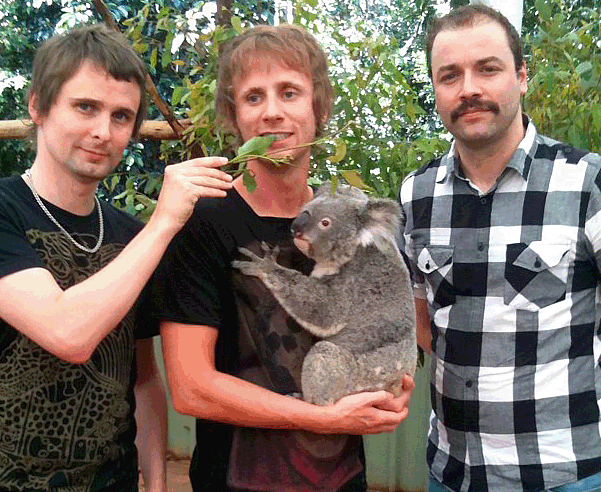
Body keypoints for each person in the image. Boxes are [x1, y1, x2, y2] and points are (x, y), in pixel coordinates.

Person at [0, 23, 233, 492]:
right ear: (38, 106)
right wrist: (162, 223)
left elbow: (143, 378)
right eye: (85, 107)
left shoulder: (131, 236)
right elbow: (67, 333)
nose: (102, 132)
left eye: (121, 116)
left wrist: (156, 483)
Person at [399, 5, 601, 492]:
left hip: (562, 477)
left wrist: (567, 381)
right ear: (435, 90)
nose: (468, 88)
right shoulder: (416, 196)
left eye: (488, 69)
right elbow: (423, 322)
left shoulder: (593, 184)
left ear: (521, 77)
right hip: (450, 473)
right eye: (449, 75)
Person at [147, 24, 415, 492]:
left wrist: (390, 385)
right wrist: (323, 418)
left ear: (318, 107)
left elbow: (387, 324)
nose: (272, 112)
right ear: (235, 118)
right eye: (254, 97)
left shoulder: (349, 217)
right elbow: (190, 388)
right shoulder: (202, 222)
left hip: (342, 479)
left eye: (289, 92)